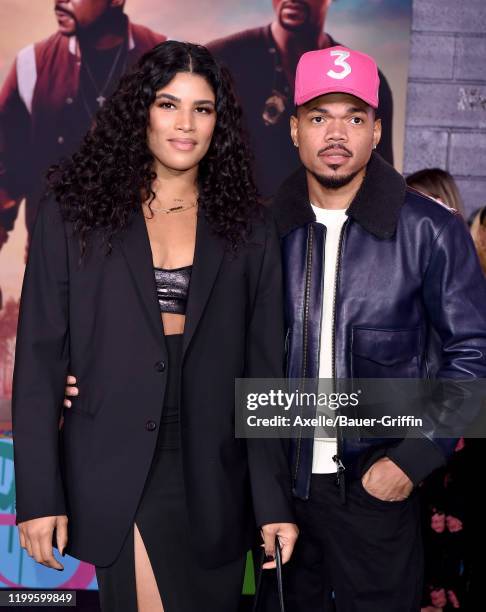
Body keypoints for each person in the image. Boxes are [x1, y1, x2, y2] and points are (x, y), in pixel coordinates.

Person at [12, 41, 298, 612]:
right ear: (140, 109)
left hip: (217, 478)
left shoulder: (249, 226)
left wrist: (273, 503)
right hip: (118, 468)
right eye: (168, 105)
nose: (185, 125)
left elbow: (264, 373)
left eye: (203, 108)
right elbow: (39, 359)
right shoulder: (72, 213)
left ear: (220, 121)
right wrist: (39, 496)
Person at [266, 46, 486, 610]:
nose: (336, 133)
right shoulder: (262, 228)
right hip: (281, 494)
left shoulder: (431, 230)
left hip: (377, 485)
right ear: (294, 129)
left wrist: (412, 459)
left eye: (354, 118)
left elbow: (474, 356)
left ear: (376, 129)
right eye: (319, 117)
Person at [0, 0, 165, 254]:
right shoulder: (30, 66)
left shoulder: (167, 59)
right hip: (57, 267)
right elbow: (8, 176)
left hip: (145, 264)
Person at [207, 0, 394, 198]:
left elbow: (383, 184)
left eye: (355, 120)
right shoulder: (222, 59)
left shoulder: (365, 78)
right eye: (319, 118)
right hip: (234, 220)